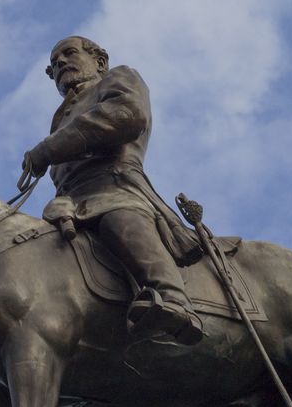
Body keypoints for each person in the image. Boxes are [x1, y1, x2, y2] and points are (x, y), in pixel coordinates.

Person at [21, 36, 205, 345]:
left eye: (69, 54)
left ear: (100, 61)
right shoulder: (61, 117)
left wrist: (49, 148)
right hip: (70, 203)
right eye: (54, 63)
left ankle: (172, 298)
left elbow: (128, 115)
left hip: (115, 187)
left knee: (119, 221)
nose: (61, 63)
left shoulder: (119, 77)